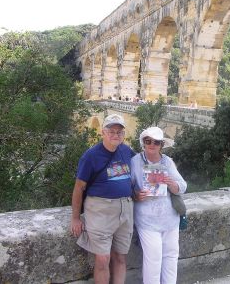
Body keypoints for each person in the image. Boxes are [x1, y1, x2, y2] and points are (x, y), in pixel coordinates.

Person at [70, 114, 136, 284]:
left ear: (123, 134)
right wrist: (76, 218)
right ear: (103, 132)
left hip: (125, 209)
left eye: (119, 132)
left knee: (121, 257)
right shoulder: (91, 156)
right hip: (100, 210)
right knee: (102, 259)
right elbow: (79, 188)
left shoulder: (126, 150)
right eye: (111, 131)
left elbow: (141, 170)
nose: (116, 135)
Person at [131, 127, 187, 284]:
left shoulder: (167, 162)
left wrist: (171, 183)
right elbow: (127, 189)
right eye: (148, 141)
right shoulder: (135, 162)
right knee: (153, 260)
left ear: (161, 144)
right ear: (143, 142)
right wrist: (136, 195)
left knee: (171, 258)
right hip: (147, 220)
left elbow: (182, 186)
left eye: (156, 142)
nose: (152, 145)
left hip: (170, 219)